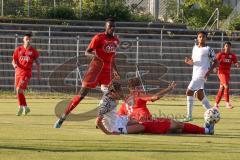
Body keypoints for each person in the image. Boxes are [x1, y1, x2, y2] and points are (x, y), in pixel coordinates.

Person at [54, 18, 120, 128]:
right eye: (110, 26)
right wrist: (94, 56)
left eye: (114, 26)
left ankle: (100, 121)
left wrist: (115, 71)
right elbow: (87, 52)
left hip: (107, 72)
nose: (112, 28)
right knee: (81, 95)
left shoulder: (116, 40)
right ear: (106, 27)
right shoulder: (98, 37)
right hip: (95, 70)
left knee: (109, 96)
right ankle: (63, 116)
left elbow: (112, 57)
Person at [96, 80, 215, 135]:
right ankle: (206, 130)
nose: (141, 89)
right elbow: (154, 97)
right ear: (134, 89)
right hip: (149, 123)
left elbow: (120, 118)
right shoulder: (137, 96)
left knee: (176, 129)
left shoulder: (124, 102)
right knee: (177, 124)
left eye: (140, 87)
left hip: (143, 123)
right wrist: (169, 89)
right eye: (138, 87)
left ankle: (203, 130)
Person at [183, 31, 218, 122]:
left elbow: (216, 62)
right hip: (195, 74)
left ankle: (189, 116)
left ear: (206, 38)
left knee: (189, 91)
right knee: (200, 96)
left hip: (201, 74)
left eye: (203, 37)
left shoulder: (208, 49)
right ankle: (214, 112)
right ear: (197, 38)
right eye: (200, 37)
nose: (201, 38)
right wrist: (189, 62)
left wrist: (209, 72)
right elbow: (194, 62)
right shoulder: (194, 48)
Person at [12, 33, 40, 116]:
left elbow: (38, 63)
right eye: (26, 39)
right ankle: (25, 107)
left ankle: (20, 107)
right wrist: (14, 65)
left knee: (18, 89)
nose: (28, 40)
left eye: (29, 39)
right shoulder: (18, 49)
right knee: (19, 91)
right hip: (18, 72)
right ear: (23, 40)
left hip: (26, 73)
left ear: (31, 40)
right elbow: (13, 61)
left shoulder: (33, 51)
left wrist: (38, 74)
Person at [214, 41, 239, 109]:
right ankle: (227, 103)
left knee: (222, 88)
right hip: (221, 72)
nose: (227, 47)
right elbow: (215, 62)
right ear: (224, 47)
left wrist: (237, 64)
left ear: (230, 47)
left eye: (229, 46)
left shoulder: (232, 55)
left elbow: (236, 62)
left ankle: (216, 104)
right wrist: (215, 68)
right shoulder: (220, 54)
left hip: (227, 73)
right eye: (226, 46)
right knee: (226, 86)